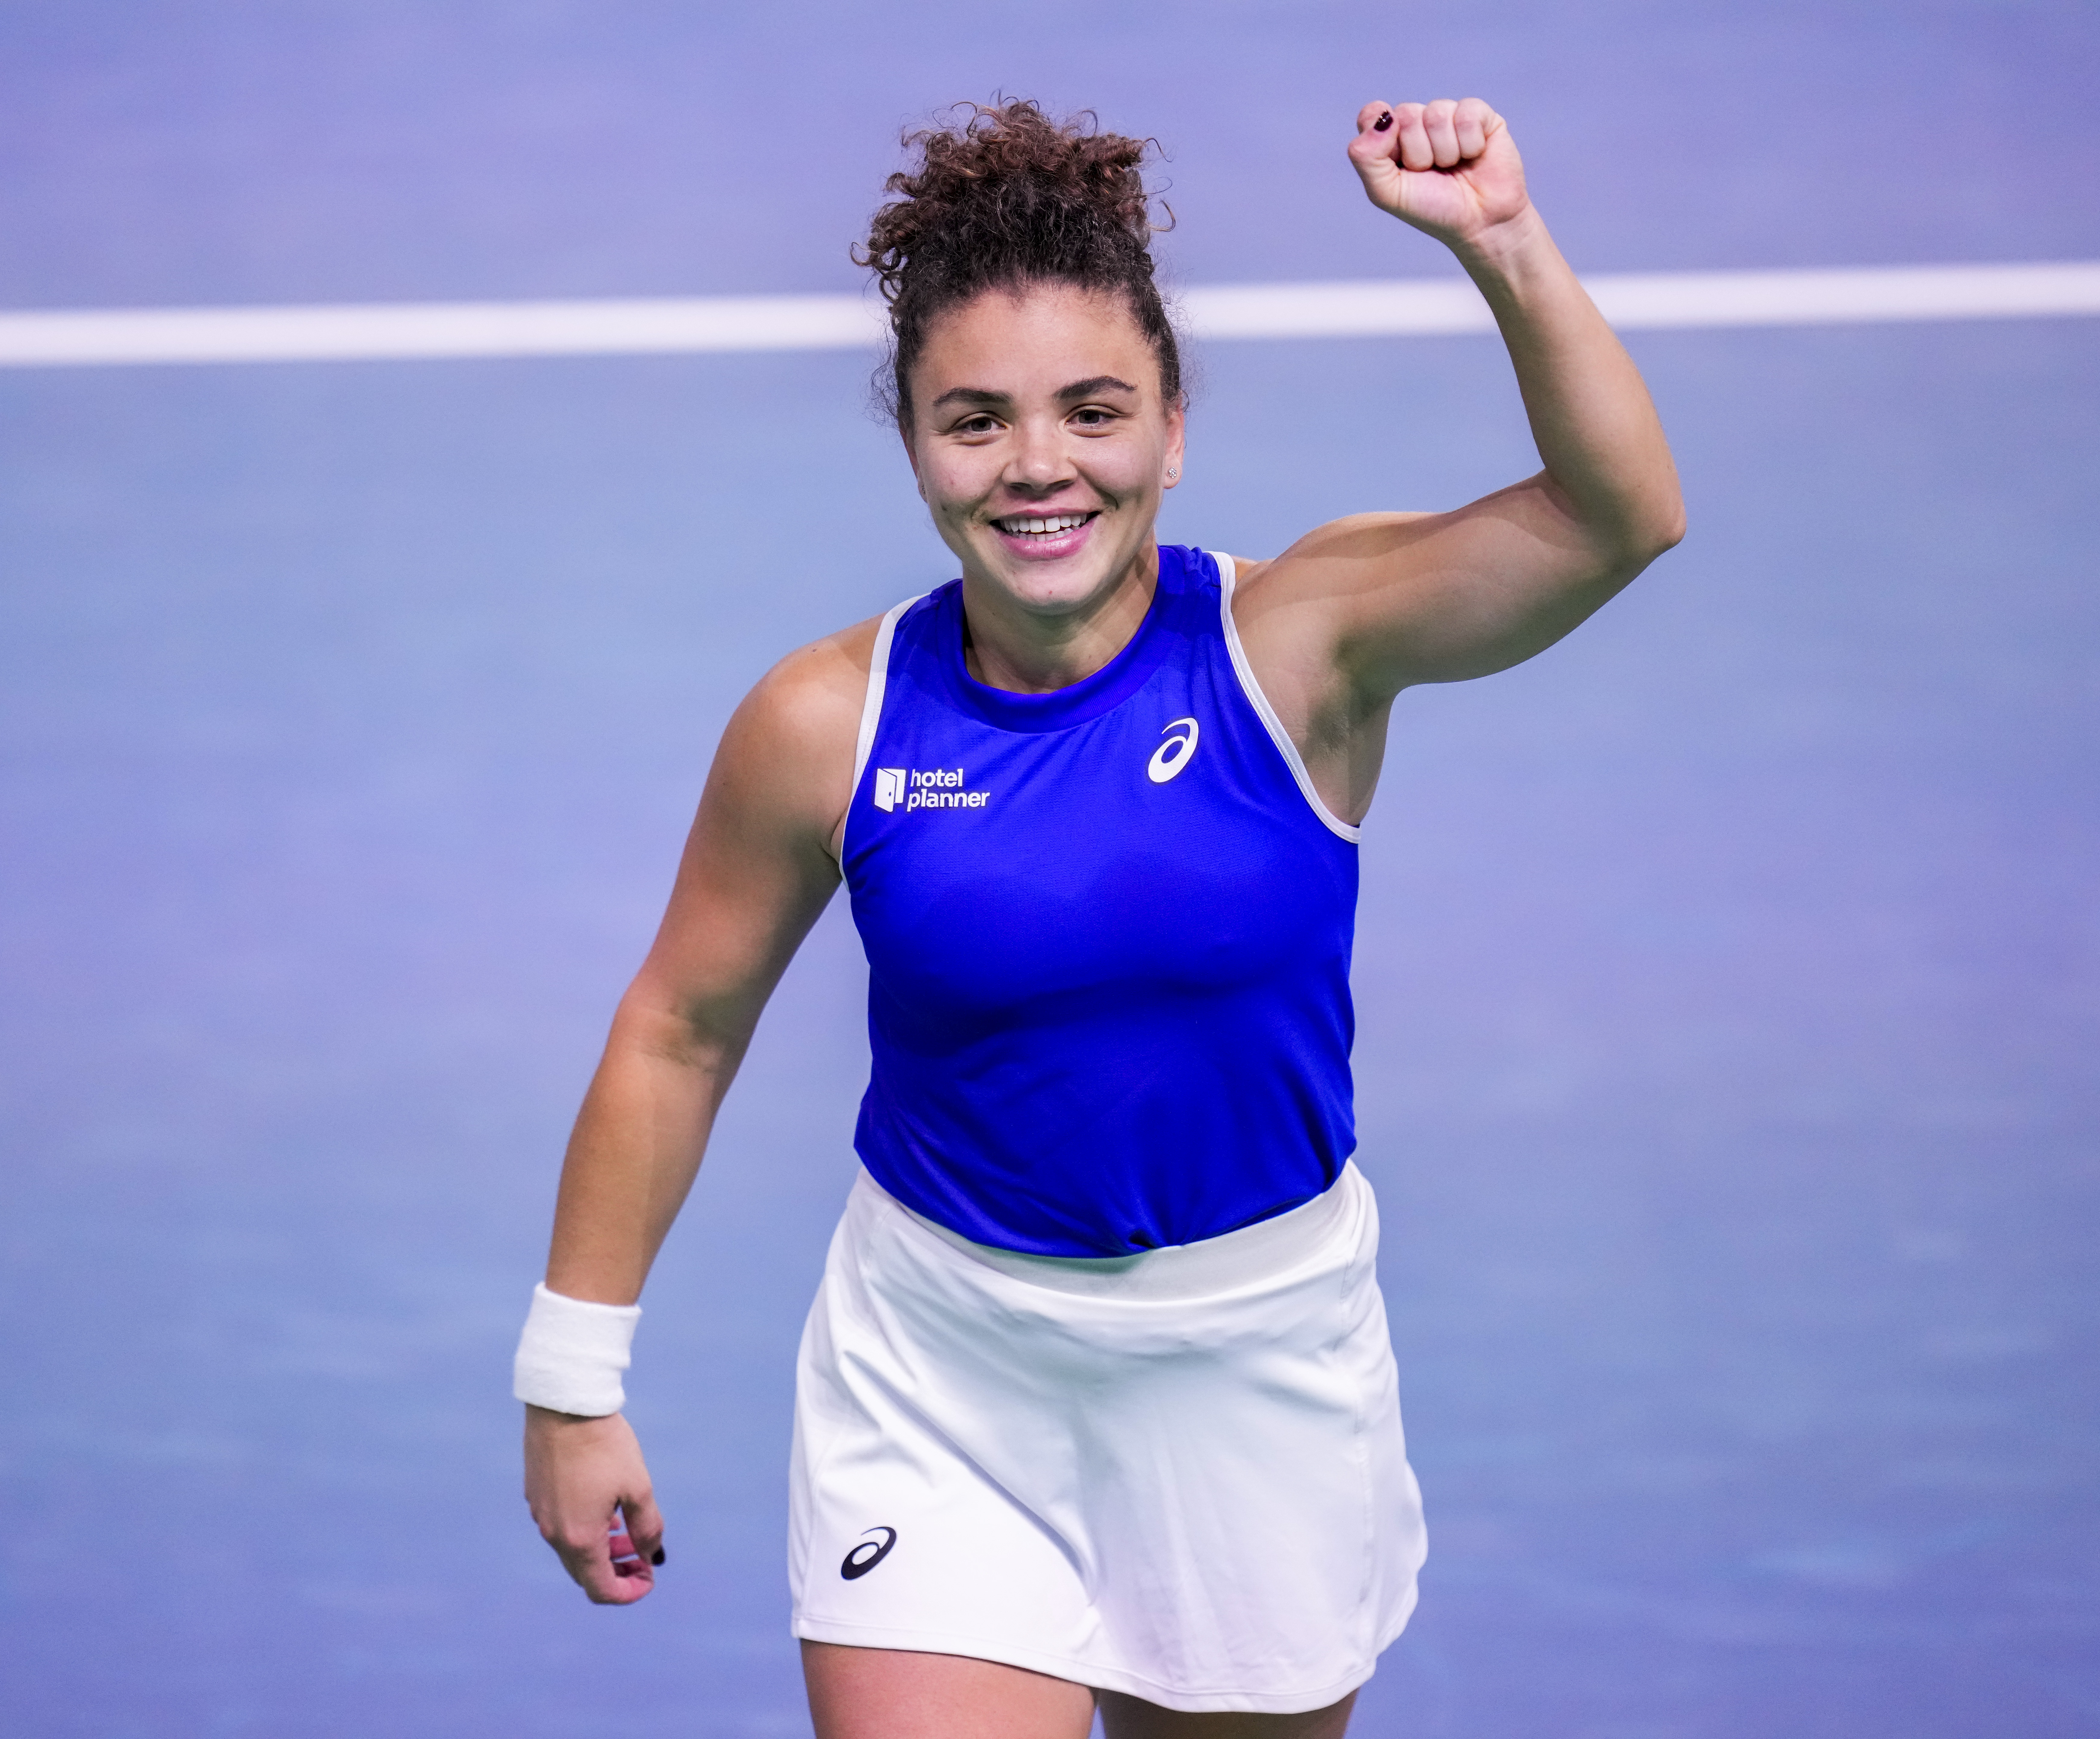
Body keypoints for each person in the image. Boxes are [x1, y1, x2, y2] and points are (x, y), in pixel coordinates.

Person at [516, 95, 1683, 1737]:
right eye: (976, 420)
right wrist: (572, 1382)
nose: (1039, 465)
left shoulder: (1304, 644)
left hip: (1253, 1376)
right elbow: (680, 1026)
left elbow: (1616, 520)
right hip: (942, 1374)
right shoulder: (824, 723)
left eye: (1093, 410)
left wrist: (1500, 242)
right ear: (915, 441)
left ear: (1177, 428)